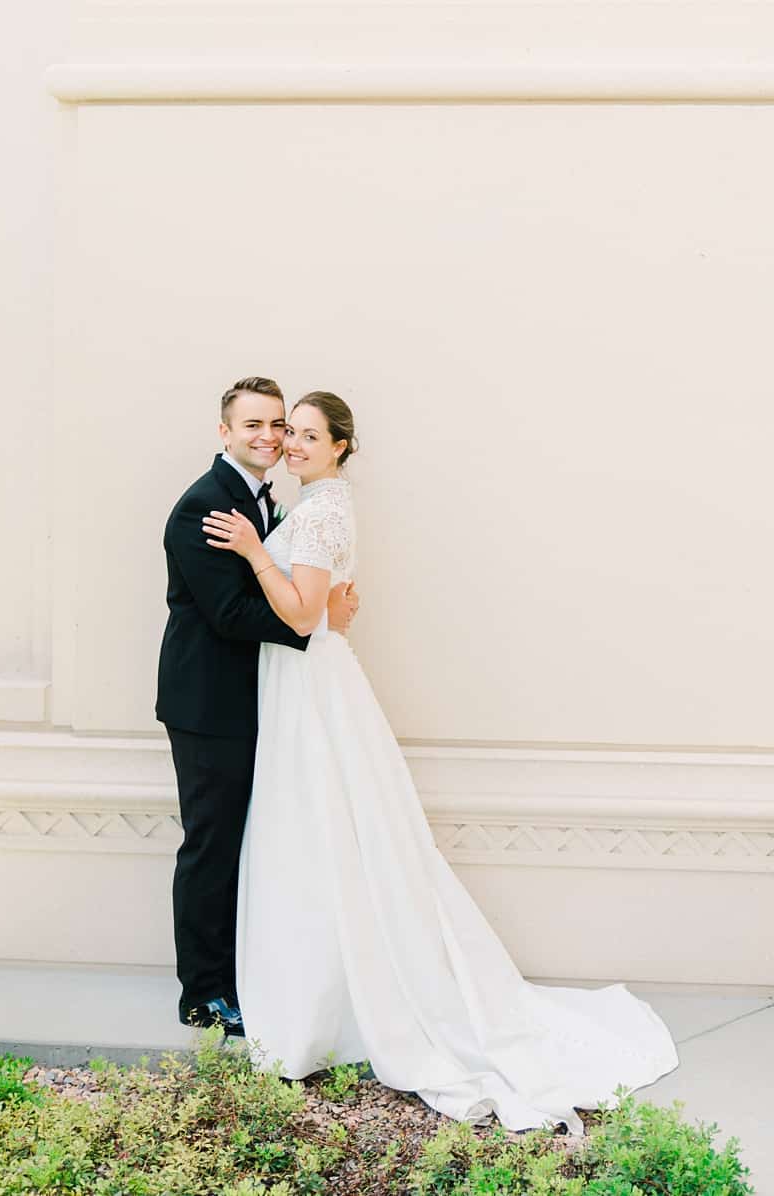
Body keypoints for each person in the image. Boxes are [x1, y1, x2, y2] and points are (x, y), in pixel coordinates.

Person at [202, 390, 678, 1133]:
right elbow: (319, 609)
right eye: (286, 432)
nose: (291, 444)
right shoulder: (316, 504)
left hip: (310, 684)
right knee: (317, 831)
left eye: (307, 435)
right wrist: (313, 596)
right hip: (304, 678)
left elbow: (299, 615)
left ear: (340, 448)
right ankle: (320, 987)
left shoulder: (324, 511)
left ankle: (335, 1000)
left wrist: (257, 553)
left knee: (321, 824)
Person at [156, 376, 359, 1034]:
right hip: (207, 702)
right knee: (211, 844)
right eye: (255, 425)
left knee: (249, 839)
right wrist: (313, 623)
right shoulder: (205, 507)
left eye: (280, 425)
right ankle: (203, 992)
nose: (270, 437)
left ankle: (245, 974)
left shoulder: (267, 500)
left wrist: (320, 614)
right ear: (224, 432)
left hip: (257, 699)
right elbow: (229, 612)